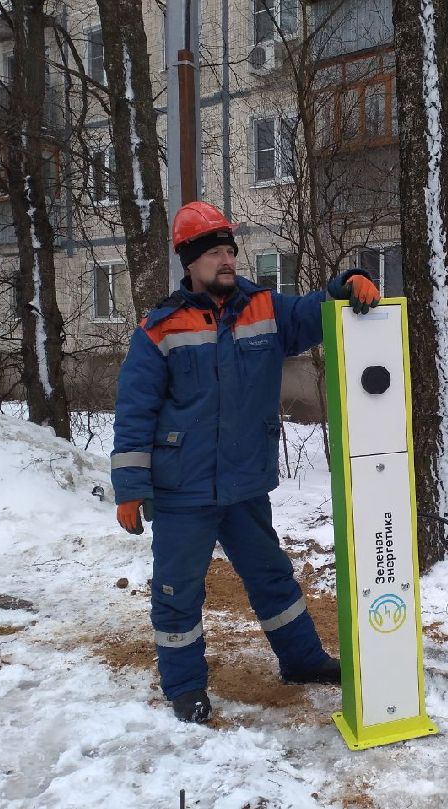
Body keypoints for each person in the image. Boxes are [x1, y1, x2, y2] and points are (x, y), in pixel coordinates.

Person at [110, 201, 381, 724]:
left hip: (244, 483)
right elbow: (135, 407)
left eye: (230, 251)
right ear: (190, 262)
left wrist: (348, 282)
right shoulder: (161, 328)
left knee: (272, 577)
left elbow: (311, 312)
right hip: (183, 488)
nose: (226, 260)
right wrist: (129, 487)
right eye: (214, 252)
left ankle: (302, 661)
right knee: (177, 592)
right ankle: (185, 686)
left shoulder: (264, 309)